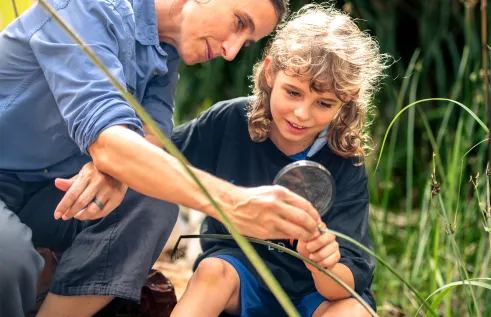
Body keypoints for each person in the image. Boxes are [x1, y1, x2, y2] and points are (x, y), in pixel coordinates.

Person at [0, 0, 324, 316]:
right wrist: (234, 203)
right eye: (239, 23)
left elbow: (151, 137)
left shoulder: (164, 54)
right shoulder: (88, 7)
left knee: (153, 200)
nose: (232, 51)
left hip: (52, 195)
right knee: (10, 259)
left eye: (248, 41)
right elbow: (108, 140)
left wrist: (116, 168)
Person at [170, 3, 388, 316]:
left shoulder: (345, 162)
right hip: (241, 280)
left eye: (323, 103)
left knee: (356, 310)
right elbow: (159, 161)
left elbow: (346, 284)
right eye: (293, 92)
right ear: (271, 71)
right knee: (212, 272)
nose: (302, 114)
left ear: (346, 102)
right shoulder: (229, 122)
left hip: (314, 295)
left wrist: (322, 263)